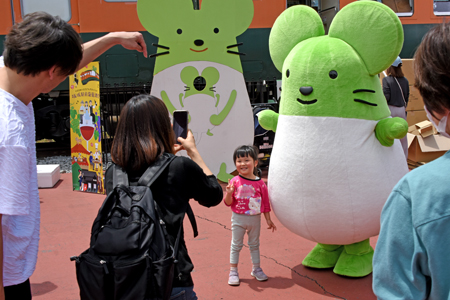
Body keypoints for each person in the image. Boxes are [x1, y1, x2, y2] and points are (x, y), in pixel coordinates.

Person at [0, 11, 147, 300]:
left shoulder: (11, 70)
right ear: (53, 72)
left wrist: (111, 39)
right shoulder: (9, 134)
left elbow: (59, 62)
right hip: (7, 275)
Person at [104, 94, 223, 300]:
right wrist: (193, 152)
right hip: (170, 277)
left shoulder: (113, 171)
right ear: (162, 125)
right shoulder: (179, 167)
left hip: (124, 279)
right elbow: (213, 195)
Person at [373, 23, 450, 299]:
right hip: (403, 112)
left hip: (390, 112)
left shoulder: (414, 199)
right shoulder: (404, 82)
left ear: (435, 104)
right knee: (404, 143)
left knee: (393, 144)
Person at [223, 145, 277, 286]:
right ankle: (233, 271)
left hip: (255, 219)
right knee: (236, 245)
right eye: (239, 161)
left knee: (254, 245)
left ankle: (256, 269)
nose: (242, 164)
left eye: (246, 160)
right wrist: (229, 193)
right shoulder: (234, 181)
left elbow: (265, 203)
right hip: (238, 219)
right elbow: (228, 203)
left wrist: (268, 220)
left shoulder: (260, 184)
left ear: (255, 162)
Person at [382, 56, 410, 158]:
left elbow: (386, 96)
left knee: (390, 135)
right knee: (402, 136)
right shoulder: (405, 80)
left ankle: (392, 158)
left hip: (391, 109)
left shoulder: (387, 80)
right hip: (402, 109)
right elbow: (407, 96)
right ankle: (404, 158)